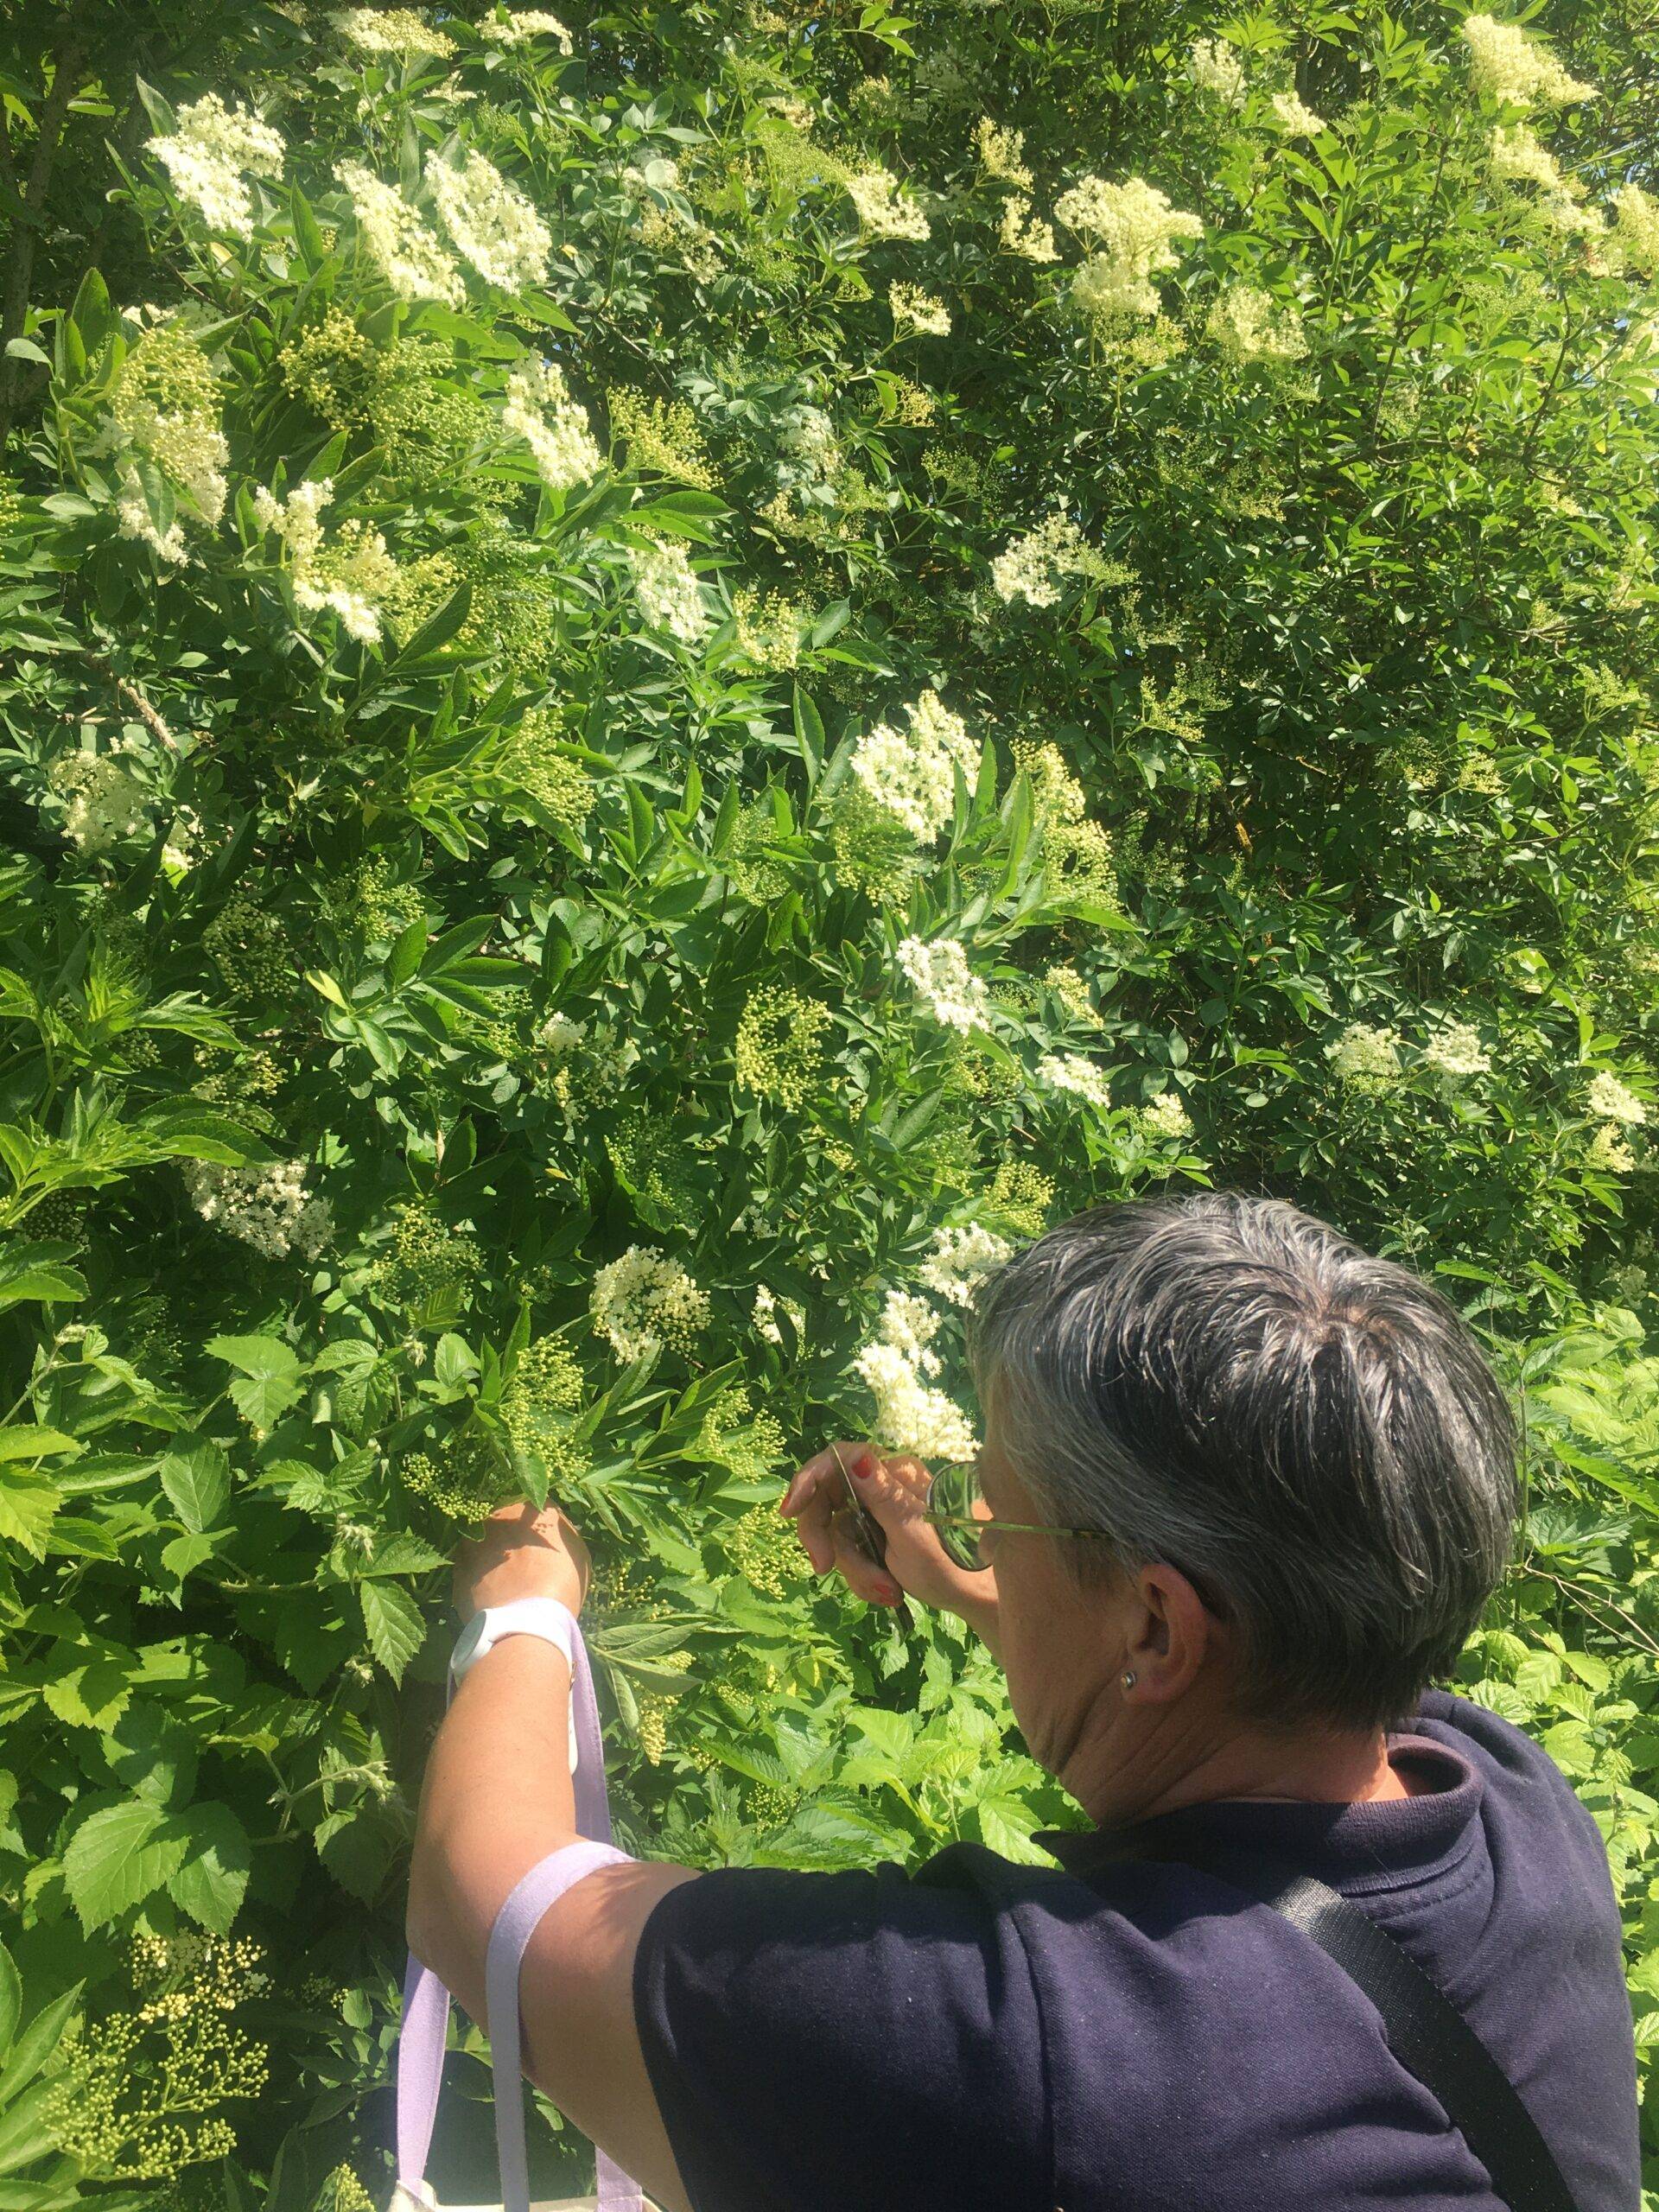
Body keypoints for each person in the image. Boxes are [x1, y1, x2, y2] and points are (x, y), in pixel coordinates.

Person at [405, 1192, 1640, 2212]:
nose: (980, 1520)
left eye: (1002, 1497)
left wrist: (525, 1609)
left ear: (1155, 1624)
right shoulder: (1512, 1804)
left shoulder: (1036, 2057)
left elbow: (486, 1902)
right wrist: (963, 1587)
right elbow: (1223, 1685)